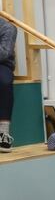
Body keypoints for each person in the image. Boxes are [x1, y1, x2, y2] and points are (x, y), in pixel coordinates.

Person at [0, 16, 14, 152]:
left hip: (2, 64)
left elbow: (4, 53)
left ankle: (3, 133)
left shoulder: (8, 28)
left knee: (4, 81)